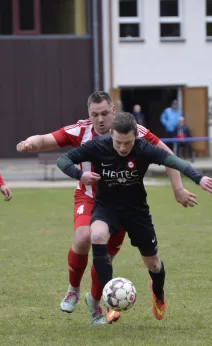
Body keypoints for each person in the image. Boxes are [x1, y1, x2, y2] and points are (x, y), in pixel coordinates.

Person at [16, 91, 198, 325]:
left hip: (121, 204)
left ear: (114, 110)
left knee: (107, 258)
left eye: (104, 113)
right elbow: (45, 140)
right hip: (89, 197)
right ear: (89, 115)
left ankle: (95, 302)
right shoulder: (81, 131)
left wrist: (178, 189)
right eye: (94, 115)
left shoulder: (134, 132)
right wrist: (29, 143)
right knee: (84, 236)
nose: (100, 119)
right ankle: (73, 289)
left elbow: (167, 155)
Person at [57, 112, 212, 321]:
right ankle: (110, 300)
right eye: (118, 142)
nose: (123, 148)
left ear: (136, 135)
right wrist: (80, 175)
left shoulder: (144, 149)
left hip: (136, 211)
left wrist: (199, 179)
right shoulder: (99, 145)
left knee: (154, 264)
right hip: (106, 207)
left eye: (127, 142)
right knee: (96, 235)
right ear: (111, 135)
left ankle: (158, 293)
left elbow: (173, 161)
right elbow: (63, 159)